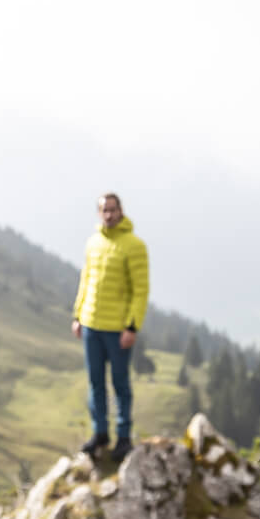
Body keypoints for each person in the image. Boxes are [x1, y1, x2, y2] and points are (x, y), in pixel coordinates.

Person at [71, 193, 150, 462]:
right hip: (91, 325)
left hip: (118, 329)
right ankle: (100, 433)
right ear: (99, 213)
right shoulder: (93, 243)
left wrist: (132, 326)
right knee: (95, 383)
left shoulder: (135, 246)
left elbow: (140, 290)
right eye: (104, 210)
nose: (109, 214)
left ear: (121, 211)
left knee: (120, 384)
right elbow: (86, 280)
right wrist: (78, 315)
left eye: (113, 210)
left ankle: (123, 437)